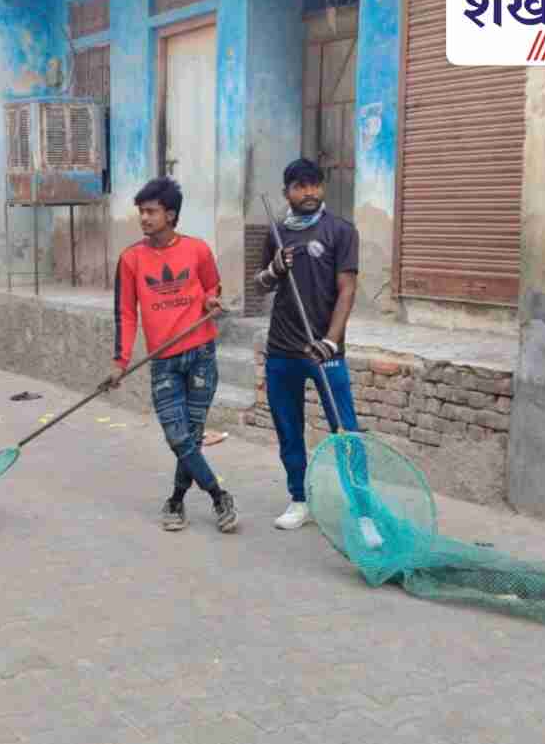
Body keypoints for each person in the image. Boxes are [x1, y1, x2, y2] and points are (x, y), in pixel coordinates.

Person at [256, 158, 382, 548]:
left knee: (346, 432)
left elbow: (347, 290)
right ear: (287, 192)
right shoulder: (276, 233)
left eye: (315, 185)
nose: (309, 192)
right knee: (288, 429)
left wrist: (330, 340)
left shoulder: (341, 231)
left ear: (323, 188)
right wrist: (274, 270)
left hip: (325, 351)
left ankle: (363, 512)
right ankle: (299, 499)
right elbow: (261, 284)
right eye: (300, 186)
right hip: (282, 350)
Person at [107, 177, 237, 533]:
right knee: (177, 436)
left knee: (191, 435)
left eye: (151, 211)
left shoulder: (197, 250)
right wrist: (120, 362)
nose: (144, 218)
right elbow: (126, 313)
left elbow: (212, 286)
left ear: (171, 214)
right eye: (141, 212)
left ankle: (176, 501)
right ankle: (218, 494)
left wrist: (211, 301)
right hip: (163, 361)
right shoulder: (131, 259)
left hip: (201, 354)